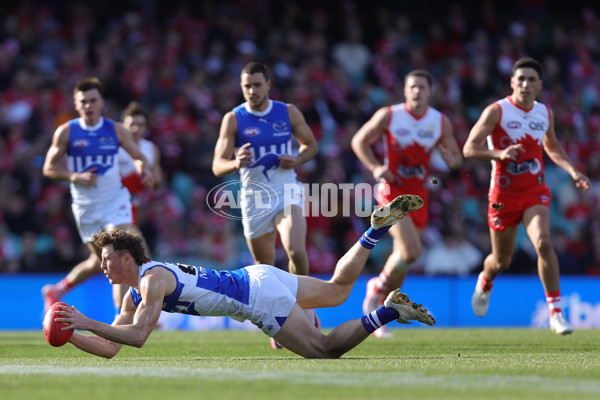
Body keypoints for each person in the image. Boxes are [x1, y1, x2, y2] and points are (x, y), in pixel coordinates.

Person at [52, 195, 435, 359]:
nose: (101, 268)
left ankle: (387, 312)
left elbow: (136, 338)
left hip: (256, 298)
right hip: (257, 276)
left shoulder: (151, 282)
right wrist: (73, 335)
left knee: (324, 349)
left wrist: (84, 320)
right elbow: (111, 347)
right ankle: (374, 232)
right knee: (337, 292)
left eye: (105, 260)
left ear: (126, 258)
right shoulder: (136, 293)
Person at [462, 57, 591, 335]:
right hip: (502, 195)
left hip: (535, 191)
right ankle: (485, 280)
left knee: (544, 242)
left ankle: (556, 313)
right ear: (512, 82)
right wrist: (498, 153)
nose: (525, 84)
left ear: (540, 85)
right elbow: (469, 149)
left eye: (532, 79)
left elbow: (552, 145)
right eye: (520, 79)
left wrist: (572, 170)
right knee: (501, 261)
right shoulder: (496, 111)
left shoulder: (545, 113)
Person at [212, 61, 319, 349]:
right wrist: (236, 161)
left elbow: (310, 144)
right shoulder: (233, 119)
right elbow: (217, 165)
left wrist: (296, 160)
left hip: (286, 191)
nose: (252, 90)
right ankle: (280, 324)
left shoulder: (288, 112)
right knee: (265, 266)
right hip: (253, 198)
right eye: (247, 86)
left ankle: (306, 309)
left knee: (295, 249)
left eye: (257, 85)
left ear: (268, 85)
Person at [351, 69, 462, 337]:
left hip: (419, 195)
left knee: (403, 257)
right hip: (391, 191)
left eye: (422, 87)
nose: (417, 91)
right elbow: (359, 141)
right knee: (411, 251)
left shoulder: (439, 121)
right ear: (404, 90)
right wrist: (376, 167)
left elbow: (457, 159)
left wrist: (451, 159)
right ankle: (377, 291)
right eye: (412, 87)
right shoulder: (389, 115)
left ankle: (381, 310)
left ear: (430, 91)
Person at [41, 77, 155, 314]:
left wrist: (143, 167)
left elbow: (137, 155)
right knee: (101, 262)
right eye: (83, 101)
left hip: (115, 201)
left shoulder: (115, 130)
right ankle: (57, 290)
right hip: (87, 209)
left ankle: (125, 318)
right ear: (76, 104)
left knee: (123, 253)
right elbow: (49, 168)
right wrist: (75, 176)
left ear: (101, 102)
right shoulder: (67, 132)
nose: (89, 106)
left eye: (93, 100)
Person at [115, 101, 163, 310]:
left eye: (141, 125)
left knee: (124, 262)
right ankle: (129, 313)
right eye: (132, 124)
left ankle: (59, 289)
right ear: (122, 125)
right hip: (113, 210)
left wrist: (151, 177)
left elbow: (158, 179)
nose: (136, 129)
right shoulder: (114, 147)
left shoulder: (150, 149)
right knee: (137, 258)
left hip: (133, 209)